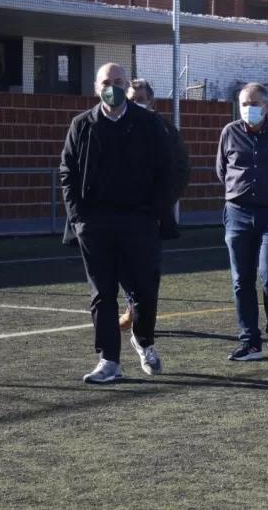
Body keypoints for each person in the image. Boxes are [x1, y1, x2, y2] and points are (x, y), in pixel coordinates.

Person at [60, 63, 172, 383]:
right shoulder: (82, 124)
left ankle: (144, 340)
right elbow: (67, 172)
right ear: (96, 87)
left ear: (127, 86)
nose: (113, 88)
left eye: (119, 82)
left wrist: (154, 213)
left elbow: (168, 169)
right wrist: (78, 219)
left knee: (145, 290)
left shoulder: (148, 123)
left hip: (139, 222)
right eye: (107, 82)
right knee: (102, 294)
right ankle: (109, 360)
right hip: (95, 224)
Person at [216, 82, 268, 362]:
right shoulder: (229, 132)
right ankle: (250, 342)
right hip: (237, 213)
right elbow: (222, 170)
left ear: (266, 106)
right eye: (244, 104)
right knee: (241, 279)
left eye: (254, 104)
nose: (248, 109)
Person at [118, 78, 191, 331]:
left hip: (151, 214)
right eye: (131, 99)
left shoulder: (165, 129)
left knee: (148, 269)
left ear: (151, 101)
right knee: (121, 266)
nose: (135, 103)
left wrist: (165, 201)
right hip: (121, 213)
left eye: (140, 99)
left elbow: (182, 168)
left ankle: (143, 319)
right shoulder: (116, 126)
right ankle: (132, 307)